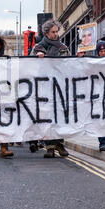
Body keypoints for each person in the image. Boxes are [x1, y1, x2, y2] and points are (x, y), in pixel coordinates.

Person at [31, 19, 70, 158]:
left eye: (56, 31)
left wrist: (78, 59)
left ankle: (59, 144)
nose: (56, 34)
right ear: (46, 33)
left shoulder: (63, 47)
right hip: (44, 88)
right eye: (53, 32)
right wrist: (37, 59)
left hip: (59, 87)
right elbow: (29, 66)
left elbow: (69, 66)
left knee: (59, 116)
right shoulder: (38, 48)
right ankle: (49, 147)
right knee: (47, 117)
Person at [95, 41, 105, 151]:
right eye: (101, 51)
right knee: (100, 119)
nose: (103, 53)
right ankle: (102, 142)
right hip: (98, 95)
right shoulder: (94, 63)